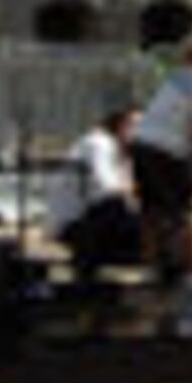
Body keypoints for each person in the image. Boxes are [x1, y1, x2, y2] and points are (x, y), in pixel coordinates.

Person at [129, 29, 192, 338]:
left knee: (154, 213)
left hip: (143, 144)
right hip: (169, 151)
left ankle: (155, 275)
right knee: (184, 217)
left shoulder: (176, 78)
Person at [59, 100, 145, 279]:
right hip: (77, 220)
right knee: (119, 207)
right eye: (134, 126)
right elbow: (108, 187)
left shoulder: (123, 152)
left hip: (94, 214)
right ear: (120, 124)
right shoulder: (99, 144)